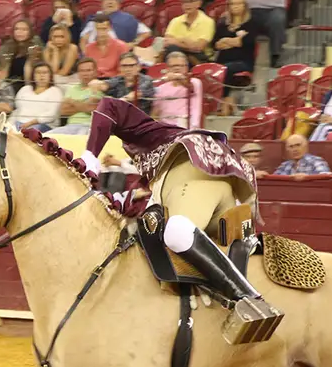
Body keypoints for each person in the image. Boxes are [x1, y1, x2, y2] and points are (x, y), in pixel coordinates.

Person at [76, 96, 283, 342]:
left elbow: (109, 106)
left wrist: (90, 154)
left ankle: (248, 299)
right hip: (219, 202)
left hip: (202, 173)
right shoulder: (153, 175)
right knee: (163, 230)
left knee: (175, 231)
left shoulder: (158, 134)